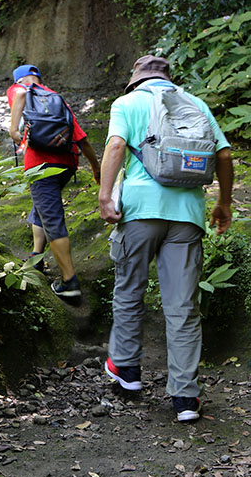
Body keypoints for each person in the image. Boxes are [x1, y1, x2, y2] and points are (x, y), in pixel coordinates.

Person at [98, 55, 233, 423]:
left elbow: (114, 147)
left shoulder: (127, 103)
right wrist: (222, 202)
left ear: (136, 79)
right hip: (186, 216)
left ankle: (126, 372)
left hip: (139, 211)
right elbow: (222, 153)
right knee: (183, 306)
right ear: (168, 79)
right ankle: (185, 398)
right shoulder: (195, 103)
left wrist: (105, 195)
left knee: (129, 291)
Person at [8, 64, 100, 299]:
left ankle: (70, 281)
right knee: (41, 206)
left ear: (20, 79)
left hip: (40, 166)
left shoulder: (20, 89)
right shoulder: (55, 98)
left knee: (52, 217)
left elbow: (19, 94)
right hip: (67, 163)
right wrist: (95, 166)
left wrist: (12, 129)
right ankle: (37, 257)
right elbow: (82, 138)